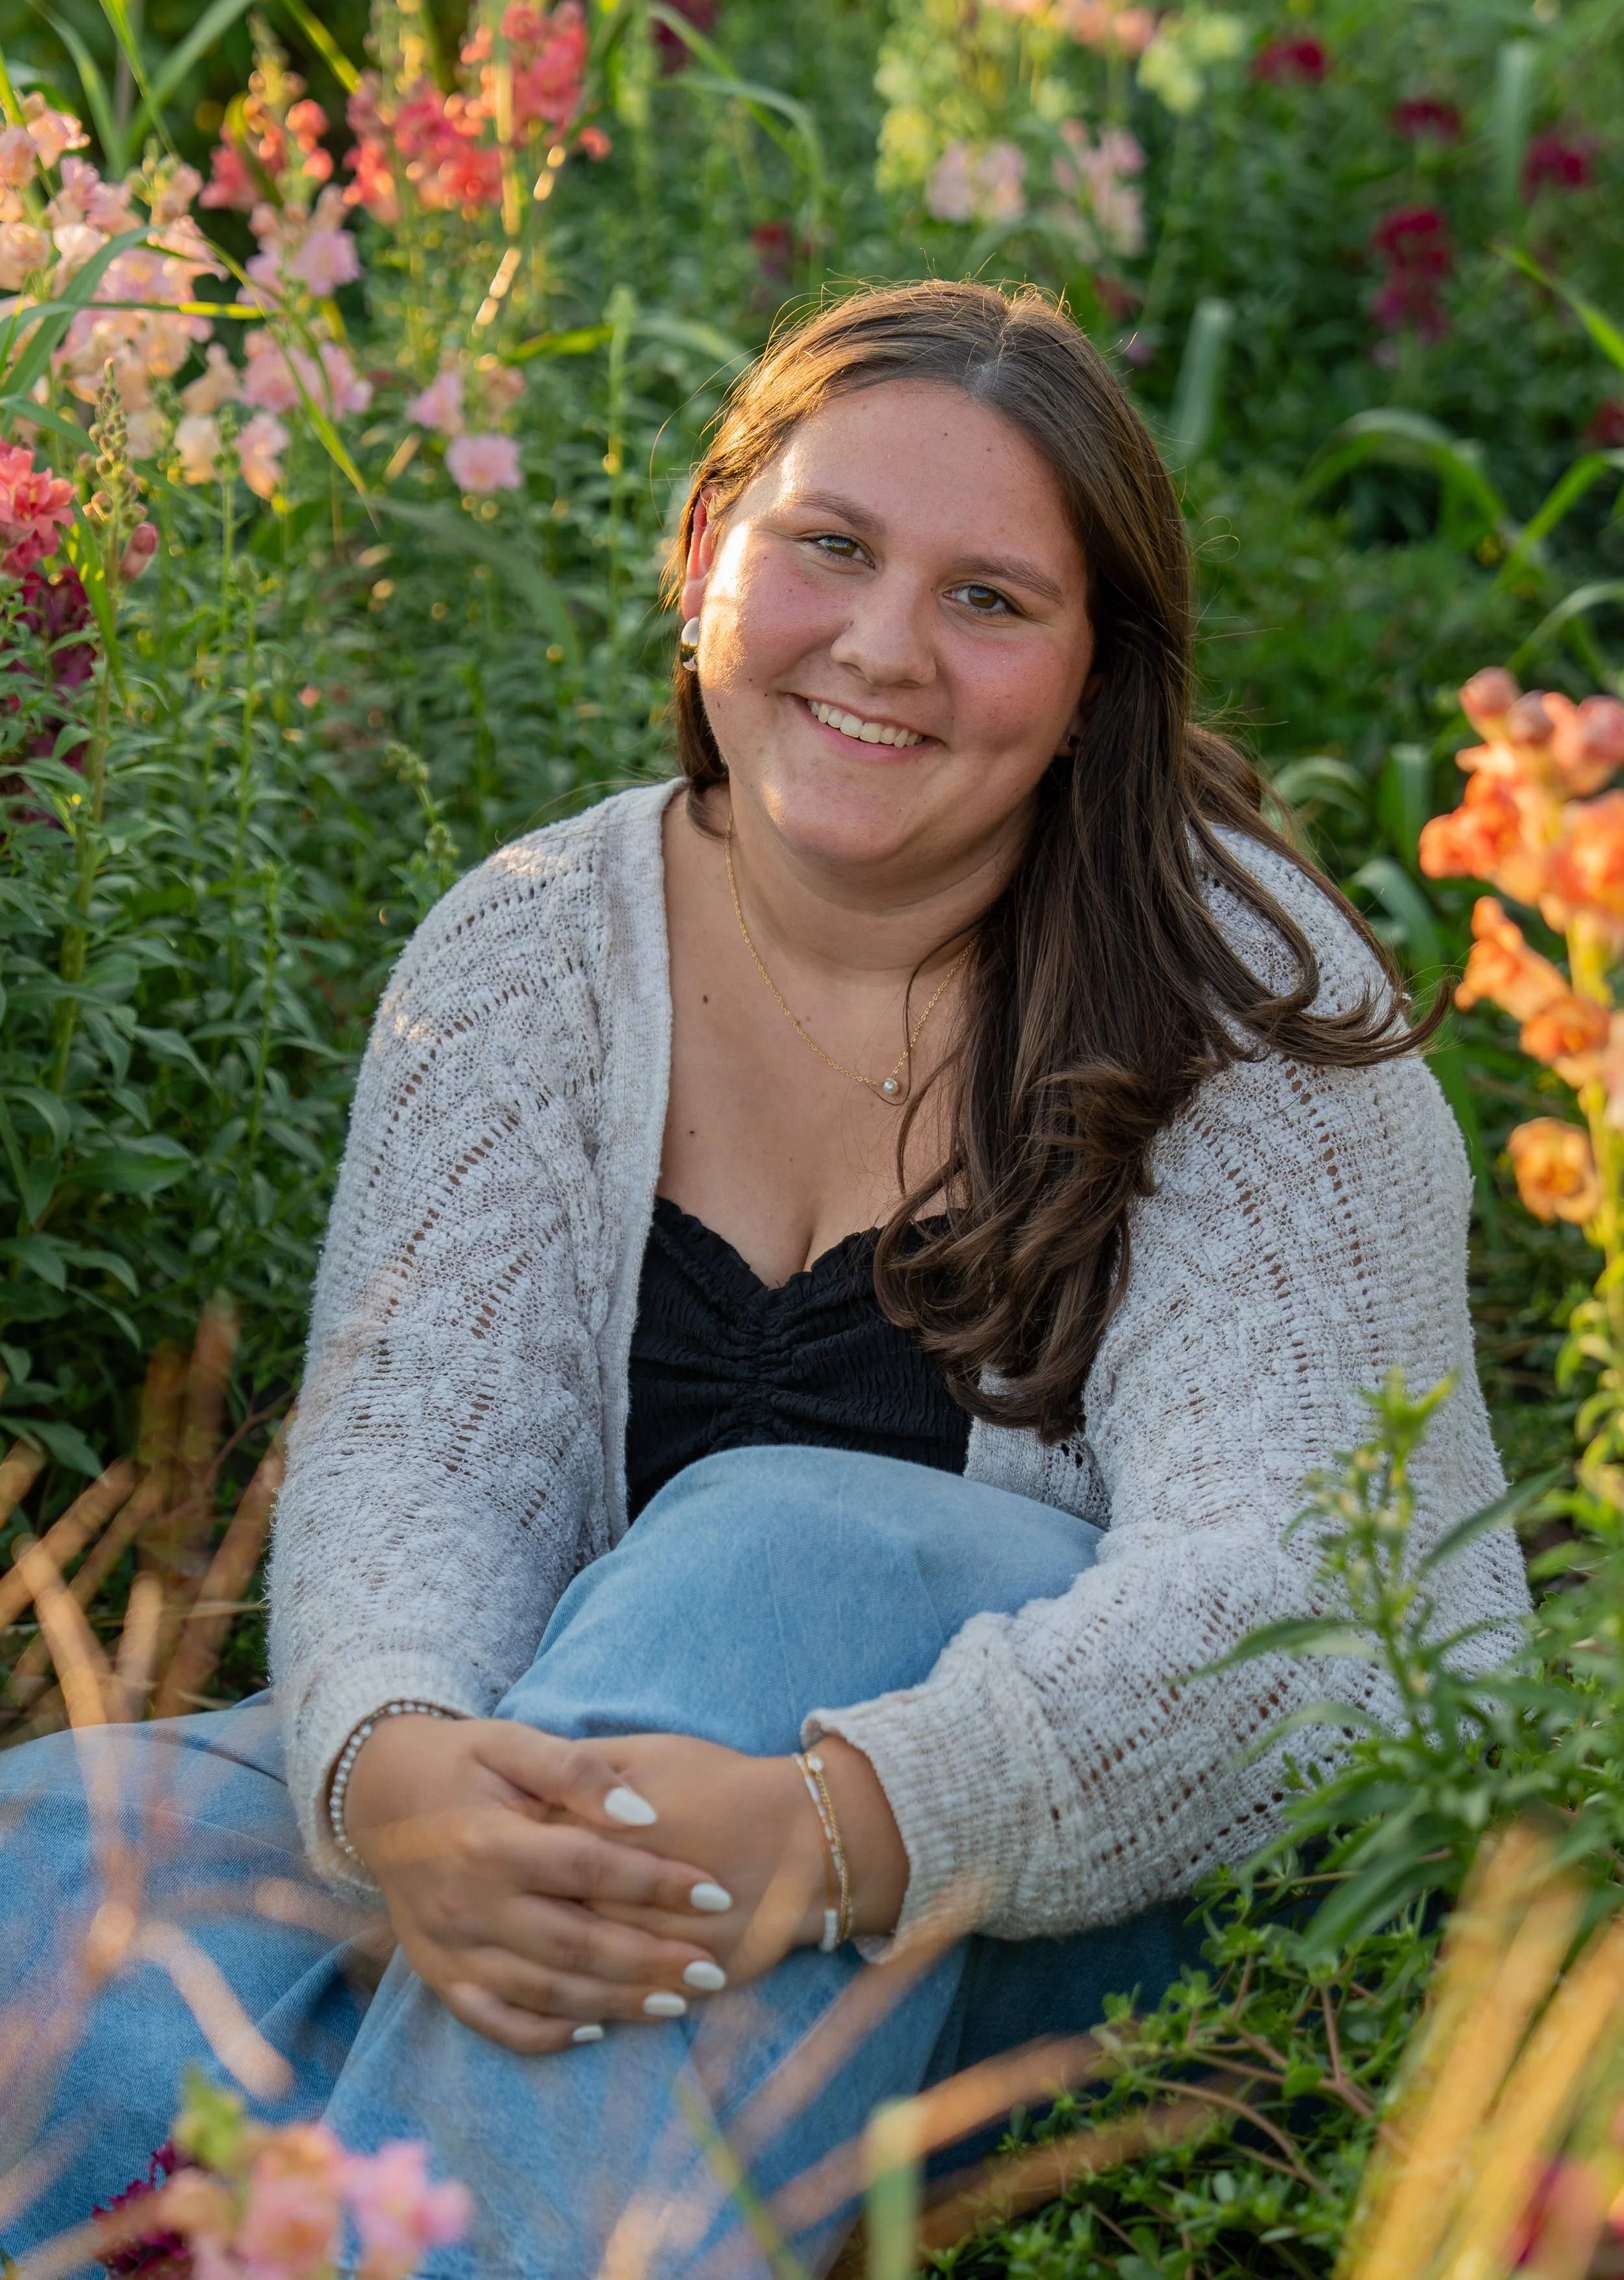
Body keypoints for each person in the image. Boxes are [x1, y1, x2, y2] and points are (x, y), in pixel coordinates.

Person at [1, 282, 1525, 2277]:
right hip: (622, 1853)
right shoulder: (529, 948)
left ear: (1094, 677)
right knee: (54, 1856)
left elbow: (1306, 1626)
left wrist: (827, 1825)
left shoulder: (1248, 1008)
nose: (884, 647)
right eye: (830, 545)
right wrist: (396, 1772)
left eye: (992, 599)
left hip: (1108, 1911)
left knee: (776, 1543)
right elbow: (406, 1477)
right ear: (705, 547)